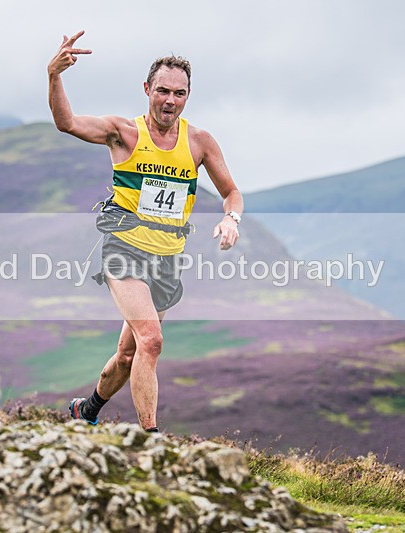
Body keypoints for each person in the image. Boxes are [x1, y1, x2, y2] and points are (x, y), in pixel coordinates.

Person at [47, 30, 243, 432]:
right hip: (124, 250)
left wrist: (230, 218)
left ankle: (86, 410)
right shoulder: (123, 132)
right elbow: (66, 123)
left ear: (188, 96)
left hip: (166, 257)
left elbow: (232, 192)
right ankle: (151, 440)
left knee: (128, 353)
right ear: (147, 90)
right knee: (151, 340)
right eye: (163, 91)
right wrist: (55, 75)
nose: (170, 100)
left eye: (180, 93)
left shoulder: (199, 142)